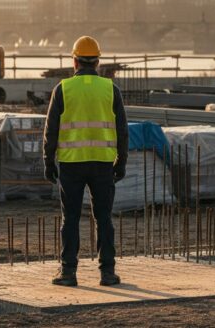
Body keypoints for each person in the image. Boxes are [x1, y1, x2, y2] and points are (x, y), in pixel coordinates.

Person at [43, 35, 128, 287]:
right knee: (104, 218)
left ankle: (68, 273)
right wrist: (121, 162)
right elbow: (122, 130)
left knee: (70, 219)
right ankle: (107, 273)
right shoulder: (111, 89)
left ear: (75, 61)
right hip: (103, 164)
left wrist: (48, 162)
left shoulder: (63, 88)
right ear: (98, 62)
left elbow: (51, 130)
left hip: (71, 164)